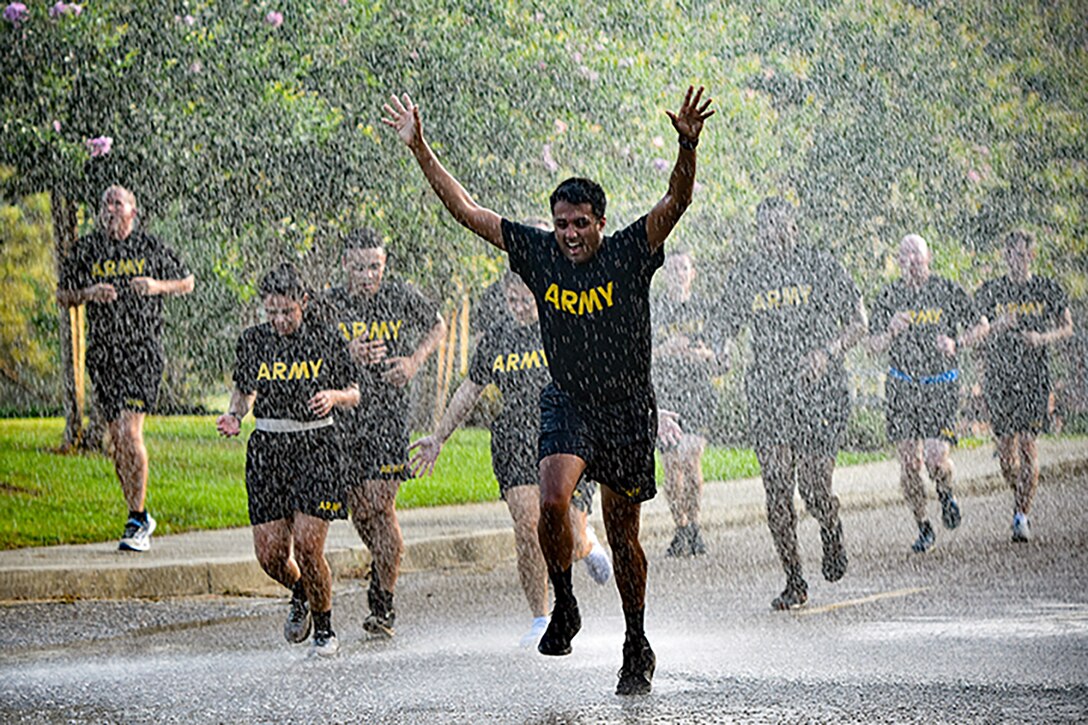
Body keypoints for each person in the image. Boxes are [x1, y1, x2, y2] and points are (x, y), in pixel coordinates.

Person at [381, 85, 713, 695]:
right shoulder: (538, 254)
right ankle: (564, 603)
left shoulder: (629, 252)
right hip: (568, 401)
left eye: (579, 224)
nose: (568, 234)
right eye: (560, 224)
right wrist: (420, 147)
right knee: (551, 501)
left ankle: (635, 639)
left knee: (623, 537)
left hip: (626, 409)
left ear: (600, 223)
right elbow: (467, 210)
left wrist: (687, 143)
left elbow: (677, 198)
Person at [409, 270, 613, 648]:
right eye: (513, 300)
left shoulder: (565, 326)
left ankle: (585, 543)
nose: (519, 308)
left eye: (527, 300)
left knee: (567, 525)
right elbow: (469, 390)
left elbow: (597, 378)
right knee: (528, 525)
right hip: (515, 438)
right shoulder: (498, 338)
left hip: (565, 432)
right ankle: (542, 616)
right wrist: (439, 437)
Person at [714, 197, 867, 610]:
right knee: (777, 486)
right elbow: (724, 322)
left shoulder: (820, 266)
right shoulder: (748, 273)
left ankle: (830, 528)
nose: (772, 236)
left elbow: (859, 322)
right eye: (765, 228)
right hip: (769, 391)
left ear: (793, 229)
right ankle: (795, 580)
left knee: (814, 488)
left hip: (819, 389)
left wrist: (827, 352)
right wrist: (723, 348)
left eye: (780, 227)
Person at [216, 262, 360, 657]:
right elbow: (244, 392)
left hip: (317, 447)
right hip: (268, 447)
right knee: (270, 555)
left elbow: (354, 391)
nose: (279, 320)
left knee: (308, 547)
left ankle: (326, 630)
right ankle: (301, 591)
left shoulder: (325, 339)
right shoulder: (253, 341)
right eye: (271, 312)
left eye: (287, 311)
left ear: (304, 302)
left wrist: (334, 397)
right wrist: (234, 415)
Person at [315, 228, 446, 639]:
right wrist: (345, 352)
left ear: (384, 265)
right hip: (344, 417)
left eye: (375, 266)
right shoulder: (329, 304)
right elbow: (308, 348)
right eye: (359, 267)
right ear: (344, 266)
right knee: (360, 507)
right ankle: (383, 570)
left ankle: (383, 601)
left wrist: (412, 361)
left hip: (388, 413)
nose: (368, 275)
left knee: (380, 503)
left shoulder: (400, 295)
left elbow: (437, 326)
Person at [56, 185, 194, 552]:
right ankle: (139, 515)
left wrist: (155, 286)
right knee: (117, 439)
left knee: (130, 433)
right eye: (105, 203)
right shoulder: (87, 249)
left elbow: (187, 282)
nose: (110, 209)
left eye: (118, 203)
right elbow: (62, 295)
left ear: (133, 211)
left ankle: (136, 518)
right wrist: (87, 294)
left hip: (142, 351)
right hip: (104, 355)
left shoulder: (149, 247)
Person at [868, 234, 989, 553]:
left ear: (928, 258)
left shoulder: (946, 290)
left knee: (936, 458)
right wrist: (890, 331)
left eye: (916, 257)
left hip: (940, 383)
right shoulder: (889, 296)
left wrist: (956, 344)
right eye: (904, 256)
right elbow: (870, 346)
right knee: (909, 464)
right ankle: (923, 525)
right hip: (903, 385)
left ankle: (946, 493)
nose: (910, 263)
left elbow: (983, 326)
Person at [975, 230, 1073, 542]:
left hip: (1034, 377)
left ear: (1031, 256)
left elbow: (1067, 328)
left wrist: (1041, 338)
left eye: (1021, 254)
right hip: (1001, 377)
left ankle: (1021, 516)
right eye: (1011, 254)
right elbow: (975, 332)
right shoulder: (992, 291)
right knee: (1007, 456)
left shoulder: (1045, 288)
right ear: (1005, 256)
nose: (1016, 260)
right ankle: (1018, 492)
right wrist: (995, 327)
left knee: (1028, 444)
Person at [652, 249, 721, 557]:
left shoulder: (706, 309)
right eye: (672, 269)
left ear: (693, 273)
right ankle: (679, 527)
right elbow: (640, 356)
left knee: (691, 464)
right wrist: (665, 350)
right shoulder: (654, 309)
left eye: (683, 268)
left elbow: (719, 356)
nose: (678, 274)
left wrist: (696, 354)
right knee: (672, 468)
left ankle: (694, 524)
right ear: (664, 275)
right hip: (667, 395)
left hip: (697, 394)